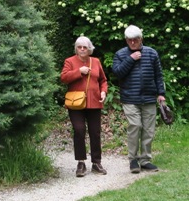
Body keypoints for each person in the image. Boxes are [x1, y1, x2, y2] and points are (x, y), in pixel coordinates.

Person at [112, 25, 166, 174]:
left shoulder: (151, 53)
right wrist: (131, 59)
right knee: (135, 126)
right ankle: (133, 159)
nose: (132, 42)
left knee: (149, 130)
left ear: (141, 39)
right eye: (129, 40)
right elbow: (117, 73)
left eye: (135, 39)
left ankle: (145, 160)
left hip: (149, 97)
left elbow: (158, 75)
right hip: (130, 98)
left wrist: (161, 93)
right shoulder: (120, 54)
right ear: (126, 40)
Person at [61, 36, 108, 177]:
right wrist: (79, 71)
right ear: (76, 49)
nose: (82, 49)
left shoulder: (96, 61)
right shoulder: (70, 61)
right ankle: (81, 162)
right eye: (79, 47)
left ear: (89, 49)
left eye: (85, 47)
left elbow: (103, 80)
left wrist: (103, 91)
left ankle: (96, 163)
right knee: (79, 130)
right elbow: (63, 78)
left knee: (95, 132)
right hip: (76, 103)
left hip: (94, 102)